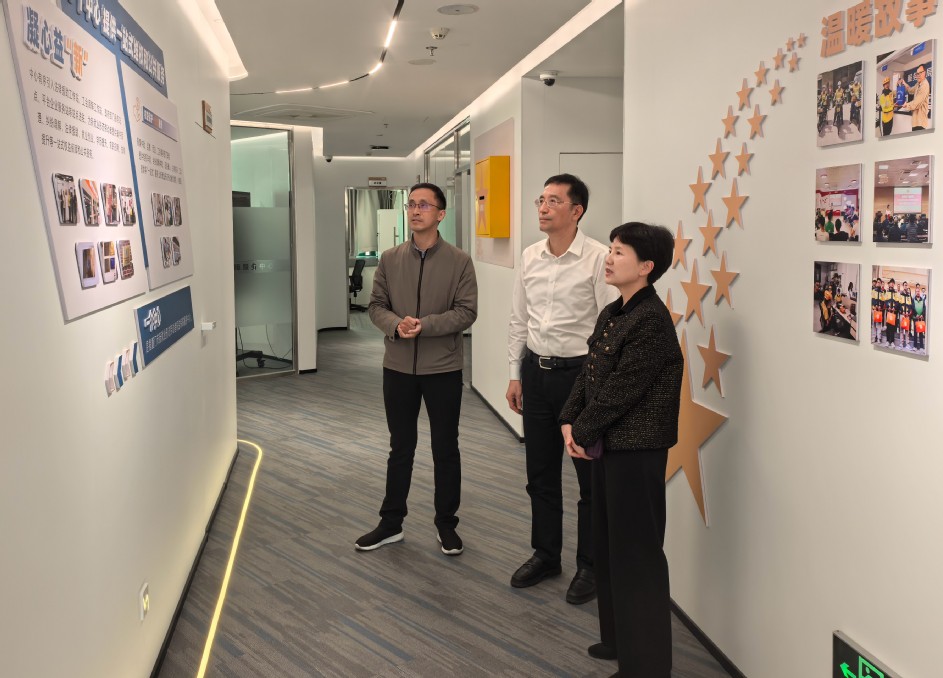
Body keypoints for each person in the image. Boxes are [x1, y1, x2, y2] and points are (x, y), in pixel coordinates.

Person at [559, 222, 683, 678]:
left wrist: (581, 429)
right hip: (608, 447)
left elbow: (621, 390)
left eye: (618, 252)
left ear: (646, 266)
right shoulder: (614, 311)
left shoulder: (651, 320)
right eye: (609, 250)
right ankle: (617, 640)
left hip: (637, 453)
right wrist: (569, 419)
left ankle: (646, 667)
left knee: (637, 556)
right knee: (609, 546)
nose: (608, 259)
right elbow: (590, 372)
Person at [506, 173, 618, 604]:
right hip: (536, 374)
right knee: (540, 474)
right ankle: (545, 554)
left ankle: (590, 563)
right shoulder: (530, 256)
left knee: (588, 478)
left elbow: (609, 330)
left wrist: (597, 389)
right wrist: (514, 374)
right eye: (541, 199)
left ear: (577, 210)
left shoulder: (598, 258)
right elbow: (519, 319)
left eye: (554, 201)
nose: (543, 207)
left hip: (581, 378)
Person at [355, 183, 478, 556]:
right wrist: (396, 325)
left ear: (441, 214)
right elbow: (376, 305)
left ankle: (446, 525)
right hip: (398, 367)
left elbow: (466, 312)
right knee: (400, 447)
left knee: (446, 448)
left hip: (443, 368)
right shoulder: (390, 258)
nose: (415, 210)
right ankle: (391, 523)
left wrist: (426, 325)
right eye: (411, 204)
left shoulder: (459, 261)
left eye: (424, 205)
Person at [898, 64, 931, 130]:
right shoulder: (918, 84)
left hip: (920, 123)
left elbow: (916, 104)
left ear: (924, 73)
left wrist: (906, 105)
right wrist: (904, 83)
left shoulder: (924, 85)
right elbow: (910, 90)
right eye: (917, 73)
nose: (918, 75)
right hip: (916, 121)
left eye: (920, 73)